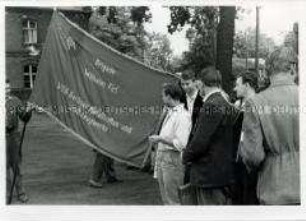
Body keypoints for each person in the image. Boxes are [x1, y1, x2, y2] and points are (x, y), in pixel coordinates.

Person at [238, 46, 300, 205]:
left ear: (267, 71)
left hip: (275, 188)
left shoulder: (256, 103)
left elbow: (253, 155)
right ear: (293, 67)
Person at [182, 66, 238, 205]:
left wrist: (185, 156)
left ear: (201, 83)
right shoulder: (226, 103)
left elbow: (200, 141)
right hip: (221, 172)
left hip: (208, 175)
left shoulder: (211, 104)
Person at [149, 83, 192, 205]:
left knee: (174, 200)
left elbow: (181, 143)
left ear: (169, 97)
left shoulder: (183, 116)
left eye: (163, 96)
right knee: (166, 199)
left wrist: (160, 139)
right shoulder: (170, 112)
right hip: (163, 157)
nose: (162, 98)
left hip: (172, 158)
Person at [232, 71, 259, 205]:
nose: (234, 88)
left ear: (247, 85)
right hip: (239, 163)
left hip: (249, 166)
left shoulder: (255, 105)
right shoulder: (241, 106)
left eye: (237, 85)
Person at [6, 79, 32, 203]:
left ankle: (21, 192)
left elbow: (23, 117)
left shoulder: (15, 101)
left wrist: (28, 113)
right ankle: (5, 195)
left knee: (16, 166)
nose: (6, 90)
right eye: (4, 88)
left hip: (13, 137)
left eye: (8, 88)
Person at [179, 69, 203, 184]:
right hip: (183, 141)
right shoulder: (181, 99)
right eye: (182, 84)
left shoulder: (203, 99)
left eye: (187, 84)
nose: (184, 87)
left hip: (197, 141)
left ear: (194, 82)